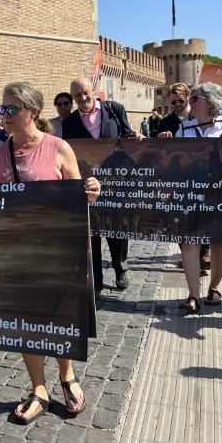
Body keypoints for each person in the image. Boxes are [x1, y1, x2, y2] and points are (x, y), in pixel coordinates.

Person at [0, 81, 100, 424]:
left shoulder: (57, 148)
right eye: (2, 109)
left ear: (33, 112)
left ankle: (67, 375)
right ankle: (38, 388)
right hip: (15, 253)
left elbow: (78, 198)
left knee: (58, 317)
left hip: (55, 251)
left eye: (12, 109)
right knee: (27, 322)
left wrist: (91, 191)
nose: (4, 115)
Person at [62, 78, 141, 300]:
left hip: (115, 182)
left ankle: (120, 267)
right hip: (87, 183)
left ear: (93, 90)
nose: (82, 98)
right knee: (92, 232)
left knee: (117, 228)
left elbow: (127, 135)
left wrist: (137, 138)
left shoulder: (114, 109)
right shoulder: (70, 122)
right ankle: (96, 280)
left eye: (85, 92)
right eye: (77, 95)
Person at [165, 83, 222, 313]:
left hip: (220, 194)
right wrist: (166, 143)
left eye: (195, 98)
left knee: (219, 243)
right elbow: (174, 160)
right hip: (191, 194)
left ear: (210, 101)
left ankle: (214, 288)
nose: (191, 101)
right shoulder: (184, 128)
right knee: (190, 243)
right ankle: (193, 295)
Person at [156, 84, 210, 272]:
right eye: (173, 102)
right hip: (178, 178)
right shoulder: (165, 123)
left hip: (202, 176)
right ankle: (191, 256)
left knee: (203, 216)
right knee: (180, 219)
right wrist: (162, 139)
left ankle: (204, 252)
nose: (177, 104)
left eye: (180, 100)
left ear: (189, 98)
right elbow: (158, 150)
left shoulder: (201, 118)